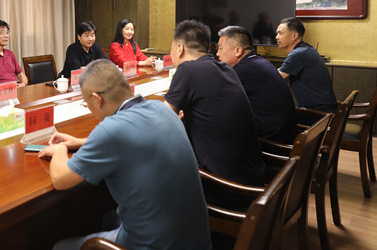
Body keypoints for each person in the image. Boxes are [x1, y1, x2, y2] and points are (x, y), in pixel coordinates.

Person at [38, 60, 211, 250]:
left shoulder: (111, 130)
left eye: (87, 104)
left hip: (154, 245)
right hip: (197, 240)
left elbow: (60, 179)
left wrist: (60, 150)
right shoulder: (162, 109)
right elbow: (135, 137)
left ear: (97, 99)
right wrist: (82, 142)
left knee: (60, 247)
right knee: (109, 218)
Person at [164, 20, 265, 188]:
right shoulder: (226, 69)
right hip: (251, 178)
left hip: (224, 186)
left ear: (180, 48)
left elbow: (161, 121)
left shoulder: (188, 69)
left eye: (171, 49)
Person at [217, 26, 296, 144]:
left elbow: (216, 100)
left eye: (220, 48)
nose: (217, 54)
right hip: (284, 134)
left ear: (238, 51)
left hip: (271, 142)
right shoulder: (258, 62)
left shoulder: (242, 70)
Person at [276, 17, 336, 114]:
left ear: (294, 35)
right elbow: (280, 72)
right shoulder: (306, 49)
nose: (277, 37)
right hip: (324, 109)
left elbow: (274, 78)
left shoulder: (298, 54)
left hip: (317, 113)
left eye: (280, 33)